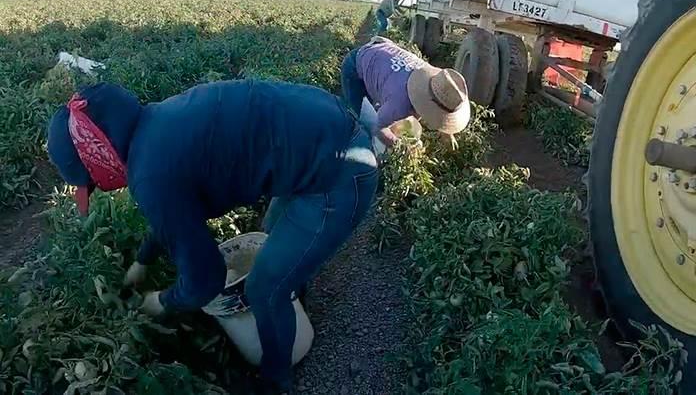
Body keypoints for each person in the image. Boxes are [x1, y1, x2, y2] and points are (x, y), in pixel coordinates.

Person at [46, 80, 379, 394]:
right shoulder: (157, 123)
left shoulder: (151, 174)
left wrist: (161, 301)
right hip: (325, 131)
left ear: (97, 156)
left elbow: (206, 279)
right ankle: (290, 295)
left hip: (340, 174)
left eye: (89, 181)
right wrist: (143, 261)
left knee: (262, 289)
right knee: (272, 243)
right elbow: (174, 210)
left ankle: (276, 379)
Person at [341, 36, 470, 150]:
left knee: (383, 109)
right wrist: (400, 146)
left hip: (381, 52)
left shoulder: (431, 79)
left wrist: (446, 132)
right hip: (355, 65)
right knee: (363, 120)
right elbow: (377, 127)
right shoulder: (400, 103)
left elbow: (442, 98)